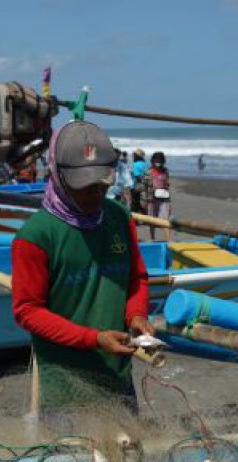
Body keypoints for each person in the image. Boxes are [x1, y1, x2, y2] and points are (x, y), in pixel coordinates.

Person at [11, 121, 153, 416]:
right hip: (66, 387)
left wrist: (137, 315)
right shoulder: (36, 236)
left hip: (117, 377)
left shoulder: (119, 218)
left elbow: (136, 278)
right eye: (86, 188)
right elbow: (27, 310)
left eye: (102, 185)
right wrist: (94, 339)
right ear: (58, 177)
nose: (97, 194)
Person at [143, 151, 173, 241]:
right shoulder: (148, 171)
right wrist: (144, 200)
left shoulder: (165, 171)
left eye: (160, 160)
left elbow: (167, 184)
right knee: (152, 219)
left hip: (164, 198)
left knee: (165, 219)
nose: (158, 161)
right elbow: (144, 186)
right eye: (156, 159)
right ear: (152, 160)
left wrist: (167, 188)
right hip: (151, 198)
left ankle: (168, 240)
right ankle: (152, 238)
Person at [129, 149, 148, 214]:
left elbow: (137, 176)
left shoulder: (135, 164)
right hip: (145, 185)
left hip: (135, 185)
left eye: (134, 155)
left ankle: (134, 219)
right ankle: (144, 214)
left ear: (137, 156)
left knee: (134, 203)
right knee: (141, 202)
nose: (133, 156)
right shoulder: (146, 164)